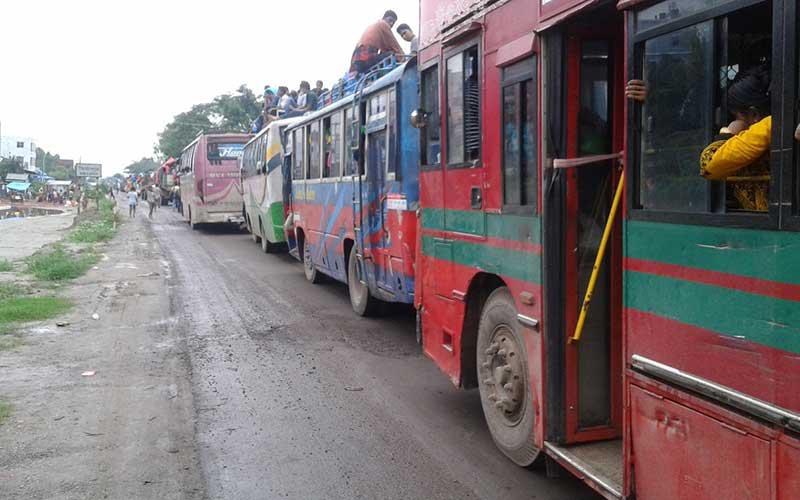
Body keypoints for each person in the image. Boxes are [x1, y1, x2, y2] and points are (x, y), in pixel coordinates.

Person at [699, 66, 771, 211]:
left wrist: (727, 134)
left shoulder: (768, 126)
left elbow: (709, 164)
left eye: (737, 117)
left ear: (754, 114)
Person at [350, 10, 404, 75]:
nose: (391, 23)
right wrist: (404, 58)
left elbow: (385, 48)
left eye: (393, 22)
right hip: (365, 60)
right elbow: (394, 44)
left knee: (386, 54)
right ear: (384, 18)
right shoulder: (383, 24)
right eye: (390, 20)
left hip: (358, 63)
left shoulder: (374, 26)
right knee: (392, 54)